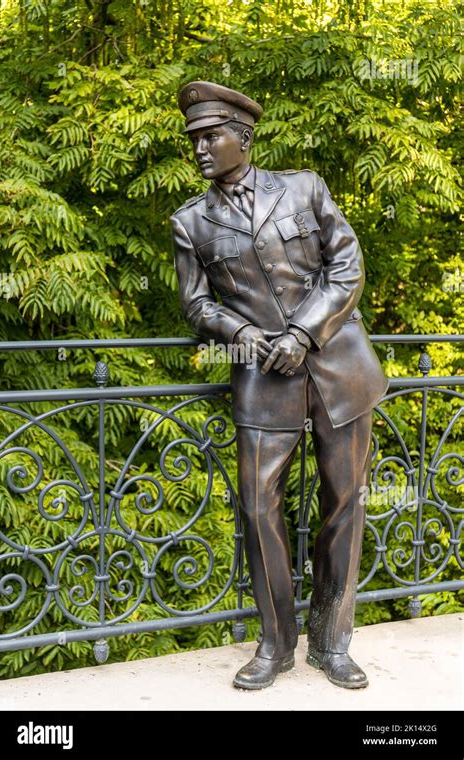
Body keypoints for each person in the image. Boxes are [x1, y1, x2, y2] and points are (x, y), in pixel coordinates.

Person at [170, 81, 388, 690]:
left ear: (242, 137)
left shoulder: (303, 187)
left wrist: (304, 332)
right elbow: (196, 306)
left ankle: (332, 641)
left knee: (346, 504)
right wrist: (244, 331)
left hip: (340, 369)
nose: (201, 148)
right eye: (194, 139)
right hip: (262, 380)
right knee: (257, 508)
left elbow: (347, 265)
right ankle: (276, 644)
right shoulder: (191, 222)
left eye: (211, 136)